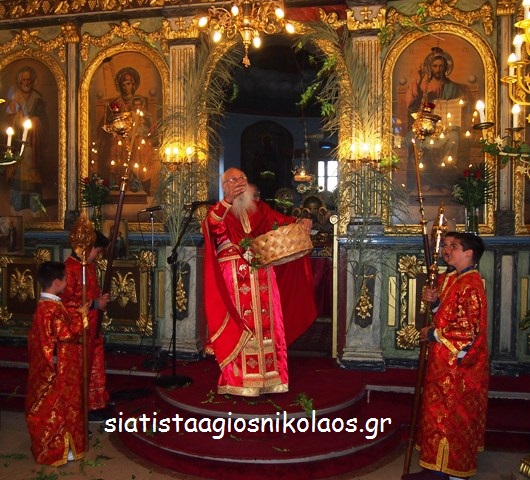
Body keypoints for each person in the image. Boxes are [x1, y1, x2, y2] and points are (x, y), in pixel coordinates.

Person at [202, 168, 317, 397]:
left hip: (263, 274)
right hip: (233, 276)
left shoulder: (260, 208)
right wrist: (228, 200)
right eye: (233, 180)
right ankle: (237, 380)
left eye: (243, 179)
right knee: (240, 325)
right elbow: (212, 226)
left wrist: (301, 221)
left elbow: (282, 221)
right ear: (225, 185)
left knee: (267, 325)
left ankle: (269, 378)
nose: (240, 183)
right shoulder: (219, 210)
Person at [402, 232, 489, 480]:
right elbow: (447, 313)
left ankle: (451, 474)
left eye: (453, 246)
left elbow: (468, 330)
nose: (446, 250)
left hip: (458, 368)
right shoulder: (454, 279)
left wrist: (433, 334)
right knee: (437, 415)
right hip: (443, 363)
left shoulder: (471, 284)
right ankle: (434, 467)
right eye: (446, 245)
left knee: (452, 418)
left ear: (468, 253)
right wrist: (436, 302)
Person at [25, 261, 89, 466]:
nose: (68, 280)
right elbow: (65, 334)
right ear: (56, 282)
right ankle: (57, 448)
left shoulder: (47, 305)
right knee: (59, 406)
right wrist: (81, 316)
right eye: (65, 278)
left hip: (52, 364)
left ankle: (63, 445)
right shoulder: (50, 309)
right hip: (56, 368)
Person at [60, 229, 112, 421]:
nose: (97, 256)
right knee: (79, 372)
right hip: (77, 333)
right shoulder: (68, 270)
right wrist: (95, 304)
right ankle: (78, 412)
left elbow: (90, 293)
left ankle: (94, 405)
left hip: (91, 328)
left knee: (93, 366)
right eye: (96, 251)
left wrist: (100, 299)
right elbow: (66, 306)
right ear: (87, 248)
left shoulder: (88, 266)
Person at [4, 65, 48, 215]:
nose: (26, 82)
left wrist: (35, 122)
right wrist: (16, 119)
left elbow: (44, 122)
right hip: (18, 144)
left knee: (33, 174)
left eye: (29, 79)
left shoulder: (38, 99)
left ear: (33, 80)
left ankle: (34, 204)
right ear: (19, 81)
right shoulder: (14, 98)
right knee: (17, 172)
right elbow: (8, 120)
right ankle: (18, 202)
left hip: (33, 144)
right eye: (24, 79)